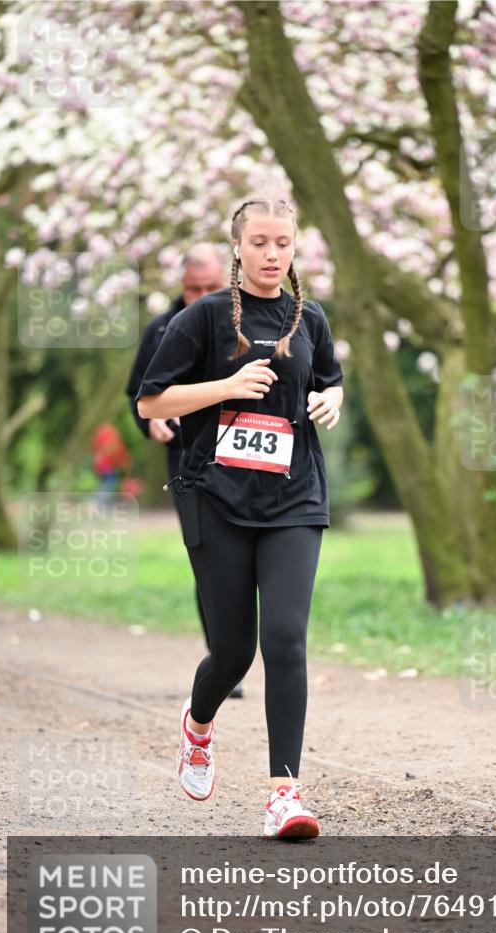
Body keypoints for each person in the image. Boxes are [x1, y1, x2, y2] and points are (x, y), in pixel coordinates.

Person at [136, 196, 344, 839]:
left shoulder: (309, 318)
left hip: (293, 496)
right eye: (259, 242)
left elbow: (330, 378)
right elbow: (151, 402)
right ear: (238, 247)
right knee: (233, 651)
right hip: (215, 495)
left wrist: (330, 398)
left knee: (285, 638)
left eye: (283, 242)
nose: (272, 254)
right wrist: (226, 388)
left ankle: (284, 794)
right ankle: (198, 727)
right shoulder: (200, 319)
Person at [126, 245, 244, 698]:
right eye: (192, 289)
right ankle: (223, 662)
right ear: (181, 286)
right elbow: (139, 393)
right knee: (212, 563)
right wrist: (150, 421)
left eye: (210, 288)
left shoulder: (247, 320)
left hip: (246, 459)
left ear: (226, 280)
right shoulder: (162, 329)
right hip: (188, 465)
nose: (200, 297)